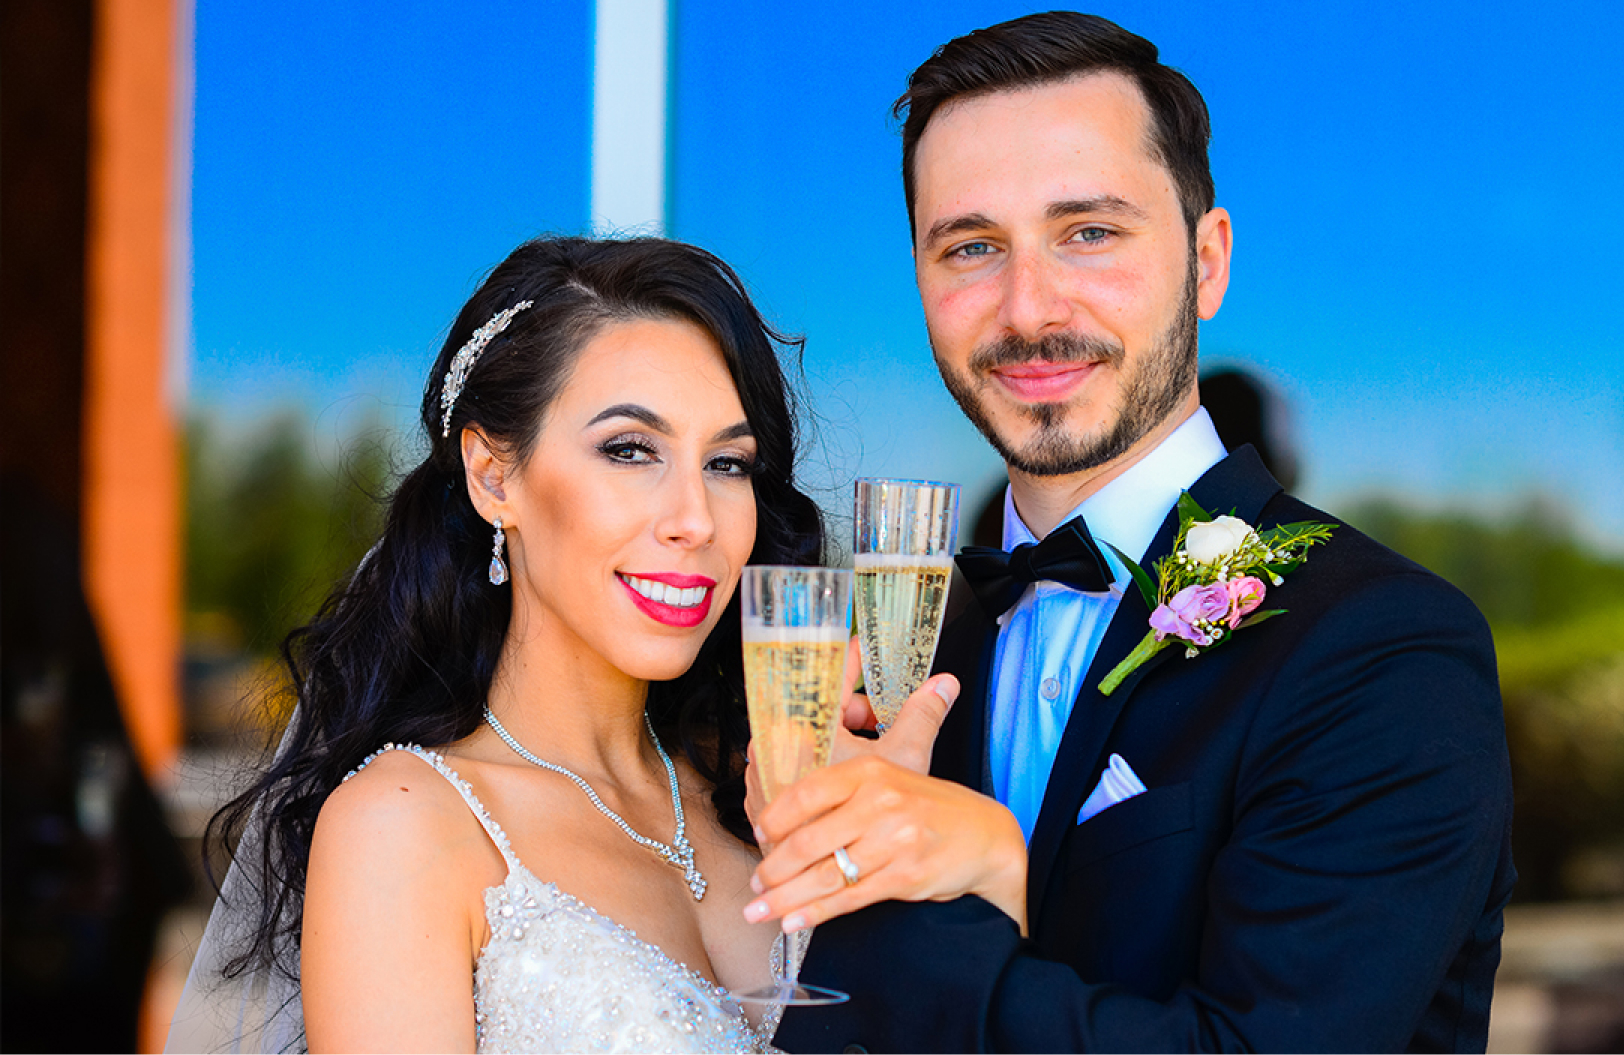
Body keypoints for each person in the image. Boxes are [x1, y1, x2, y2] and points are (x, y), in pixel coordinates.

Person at [749, 13, 1516, 1052]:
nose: (1029, 308)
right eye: (971, 247)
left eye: (1089, 232)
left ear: (1206, 262)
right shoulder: (902, 658)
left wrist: (902, 894)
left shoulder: (1384, 648)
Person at [165, 235, 918, 1053]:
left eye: (728, 463)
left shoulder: (762, 791)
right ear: (494, 475)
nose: (696, 519)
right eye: (630, 450)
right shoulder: (405, 825)